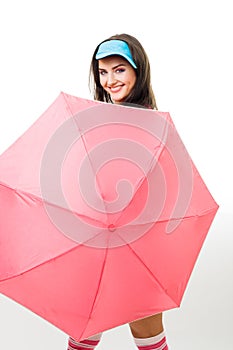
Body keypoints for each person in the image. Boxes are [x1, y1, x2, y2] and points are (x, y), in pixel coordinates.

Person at [67, 33, 169, 350]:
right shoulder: (99, 120)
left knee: (145, 329)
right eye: (103, 71)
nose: (110, 80)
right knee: (83, 325)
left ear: (138, 70)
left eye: (120, 69)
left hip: (139, 244)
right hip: (99, 238)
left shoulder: (150, 122)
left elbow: (156, 192)